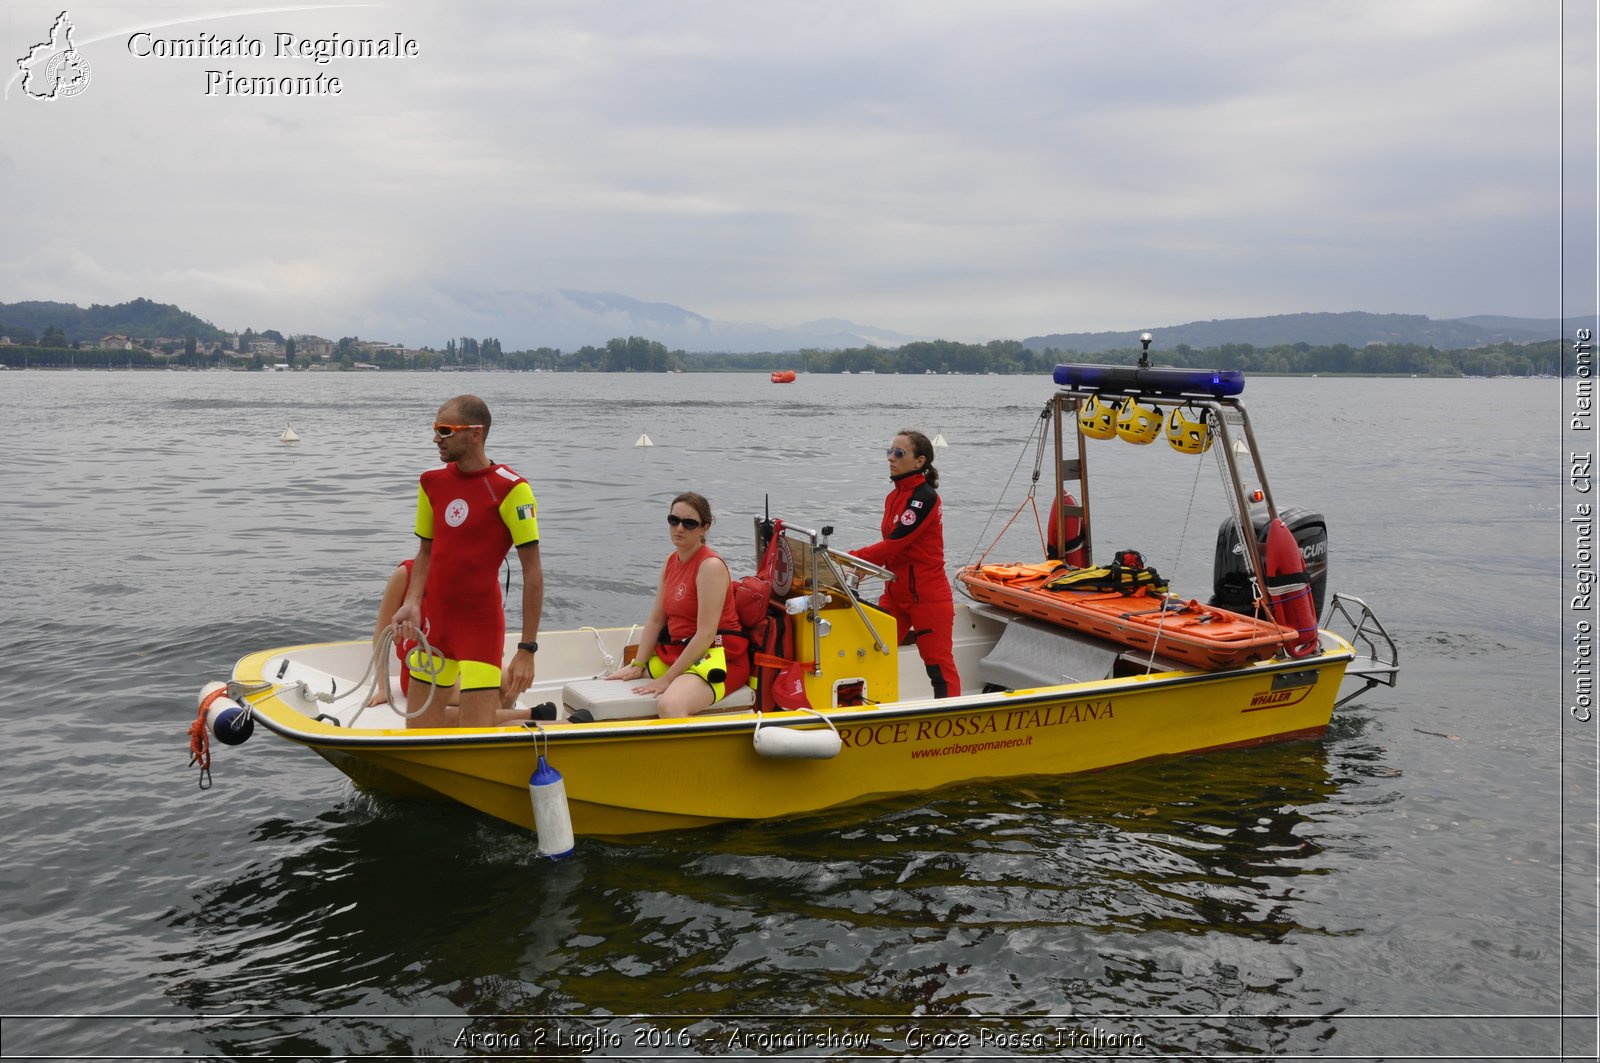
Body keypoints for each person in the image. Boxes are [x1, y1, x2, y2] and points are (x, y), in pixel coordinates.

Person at [392, 395, 544, 728]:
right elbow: (426, 552)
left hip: (480, 628)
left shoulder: (511, 488)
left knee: (476, 733)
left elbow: (532, 572)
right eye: (435, 429)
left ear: (475, 434)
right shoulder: (431, 483)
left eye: (445, 430)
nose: (436, 438)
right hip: (435, 627)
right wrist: (414, 602)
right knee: (418, 731)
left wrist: (527, 649)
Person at [604, 492, 749, 718]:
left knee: (670, 706)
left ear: (705, 528)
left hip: (717, 656)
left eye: (689, 523)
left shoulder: (710, 567)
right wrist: (638, 664)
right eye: (674, 520)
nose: (679, 528)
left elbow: (705, 634)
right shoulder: (671, 561)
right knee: (613, 684)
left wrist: (667, 679)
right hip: (680, 651)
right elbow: (656, 620)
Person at [850, 429, 962, 698]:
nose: (891, 458)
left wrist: (855, 557)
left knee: (938, 666)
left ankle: (948, 721)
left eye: (899, 453)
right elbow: (894, 550)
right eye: (889, 451)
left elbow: (896, 542)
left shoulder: (924, 498)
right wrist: (863, 567)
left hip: (927, 596)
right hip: (896, 593)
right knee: (870, 653)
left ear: (919, 461)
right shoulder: (893, 496)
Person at [365, 559, 461, 709]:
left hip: (460, 665)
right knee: (492, 693)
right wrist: (383, 688)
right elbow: (381, 634)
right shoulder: (404, 575)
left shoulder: (464, 575)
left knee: (505, 681)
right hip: (419, 673)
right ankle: (509, 719)